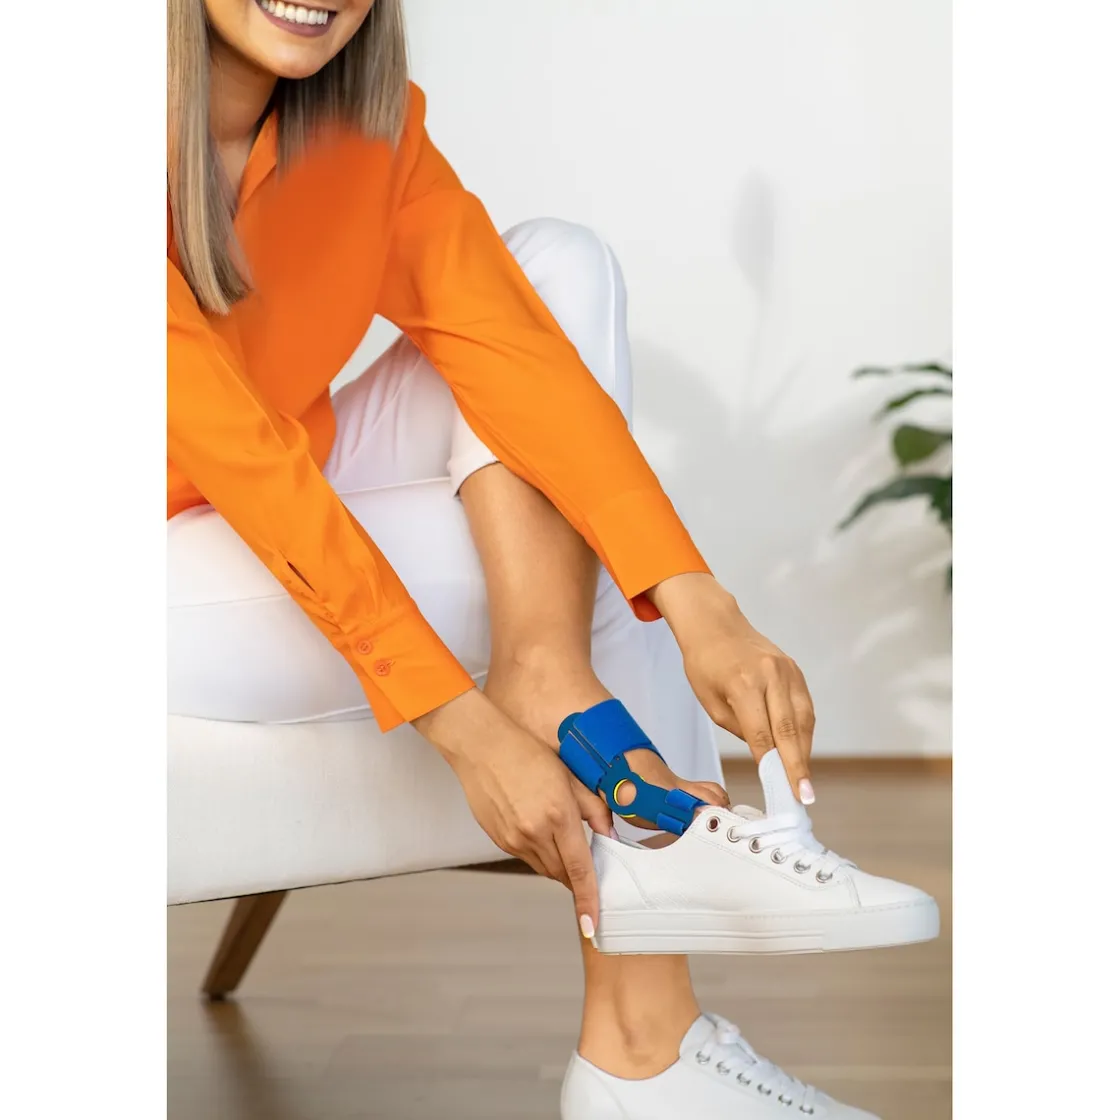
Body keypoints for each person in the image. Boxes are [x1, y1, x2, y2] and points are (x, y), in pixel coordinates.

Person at [168, 3, 880, 1116]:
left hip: (283, 479)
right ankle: (646, 1052)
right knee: (552, 548)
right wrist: (465, 726)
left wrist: (698, 597)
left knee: (556, 266)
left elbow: (507, 348)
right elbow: (251, 471)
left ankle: (547, 673)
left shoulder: (371, 128)